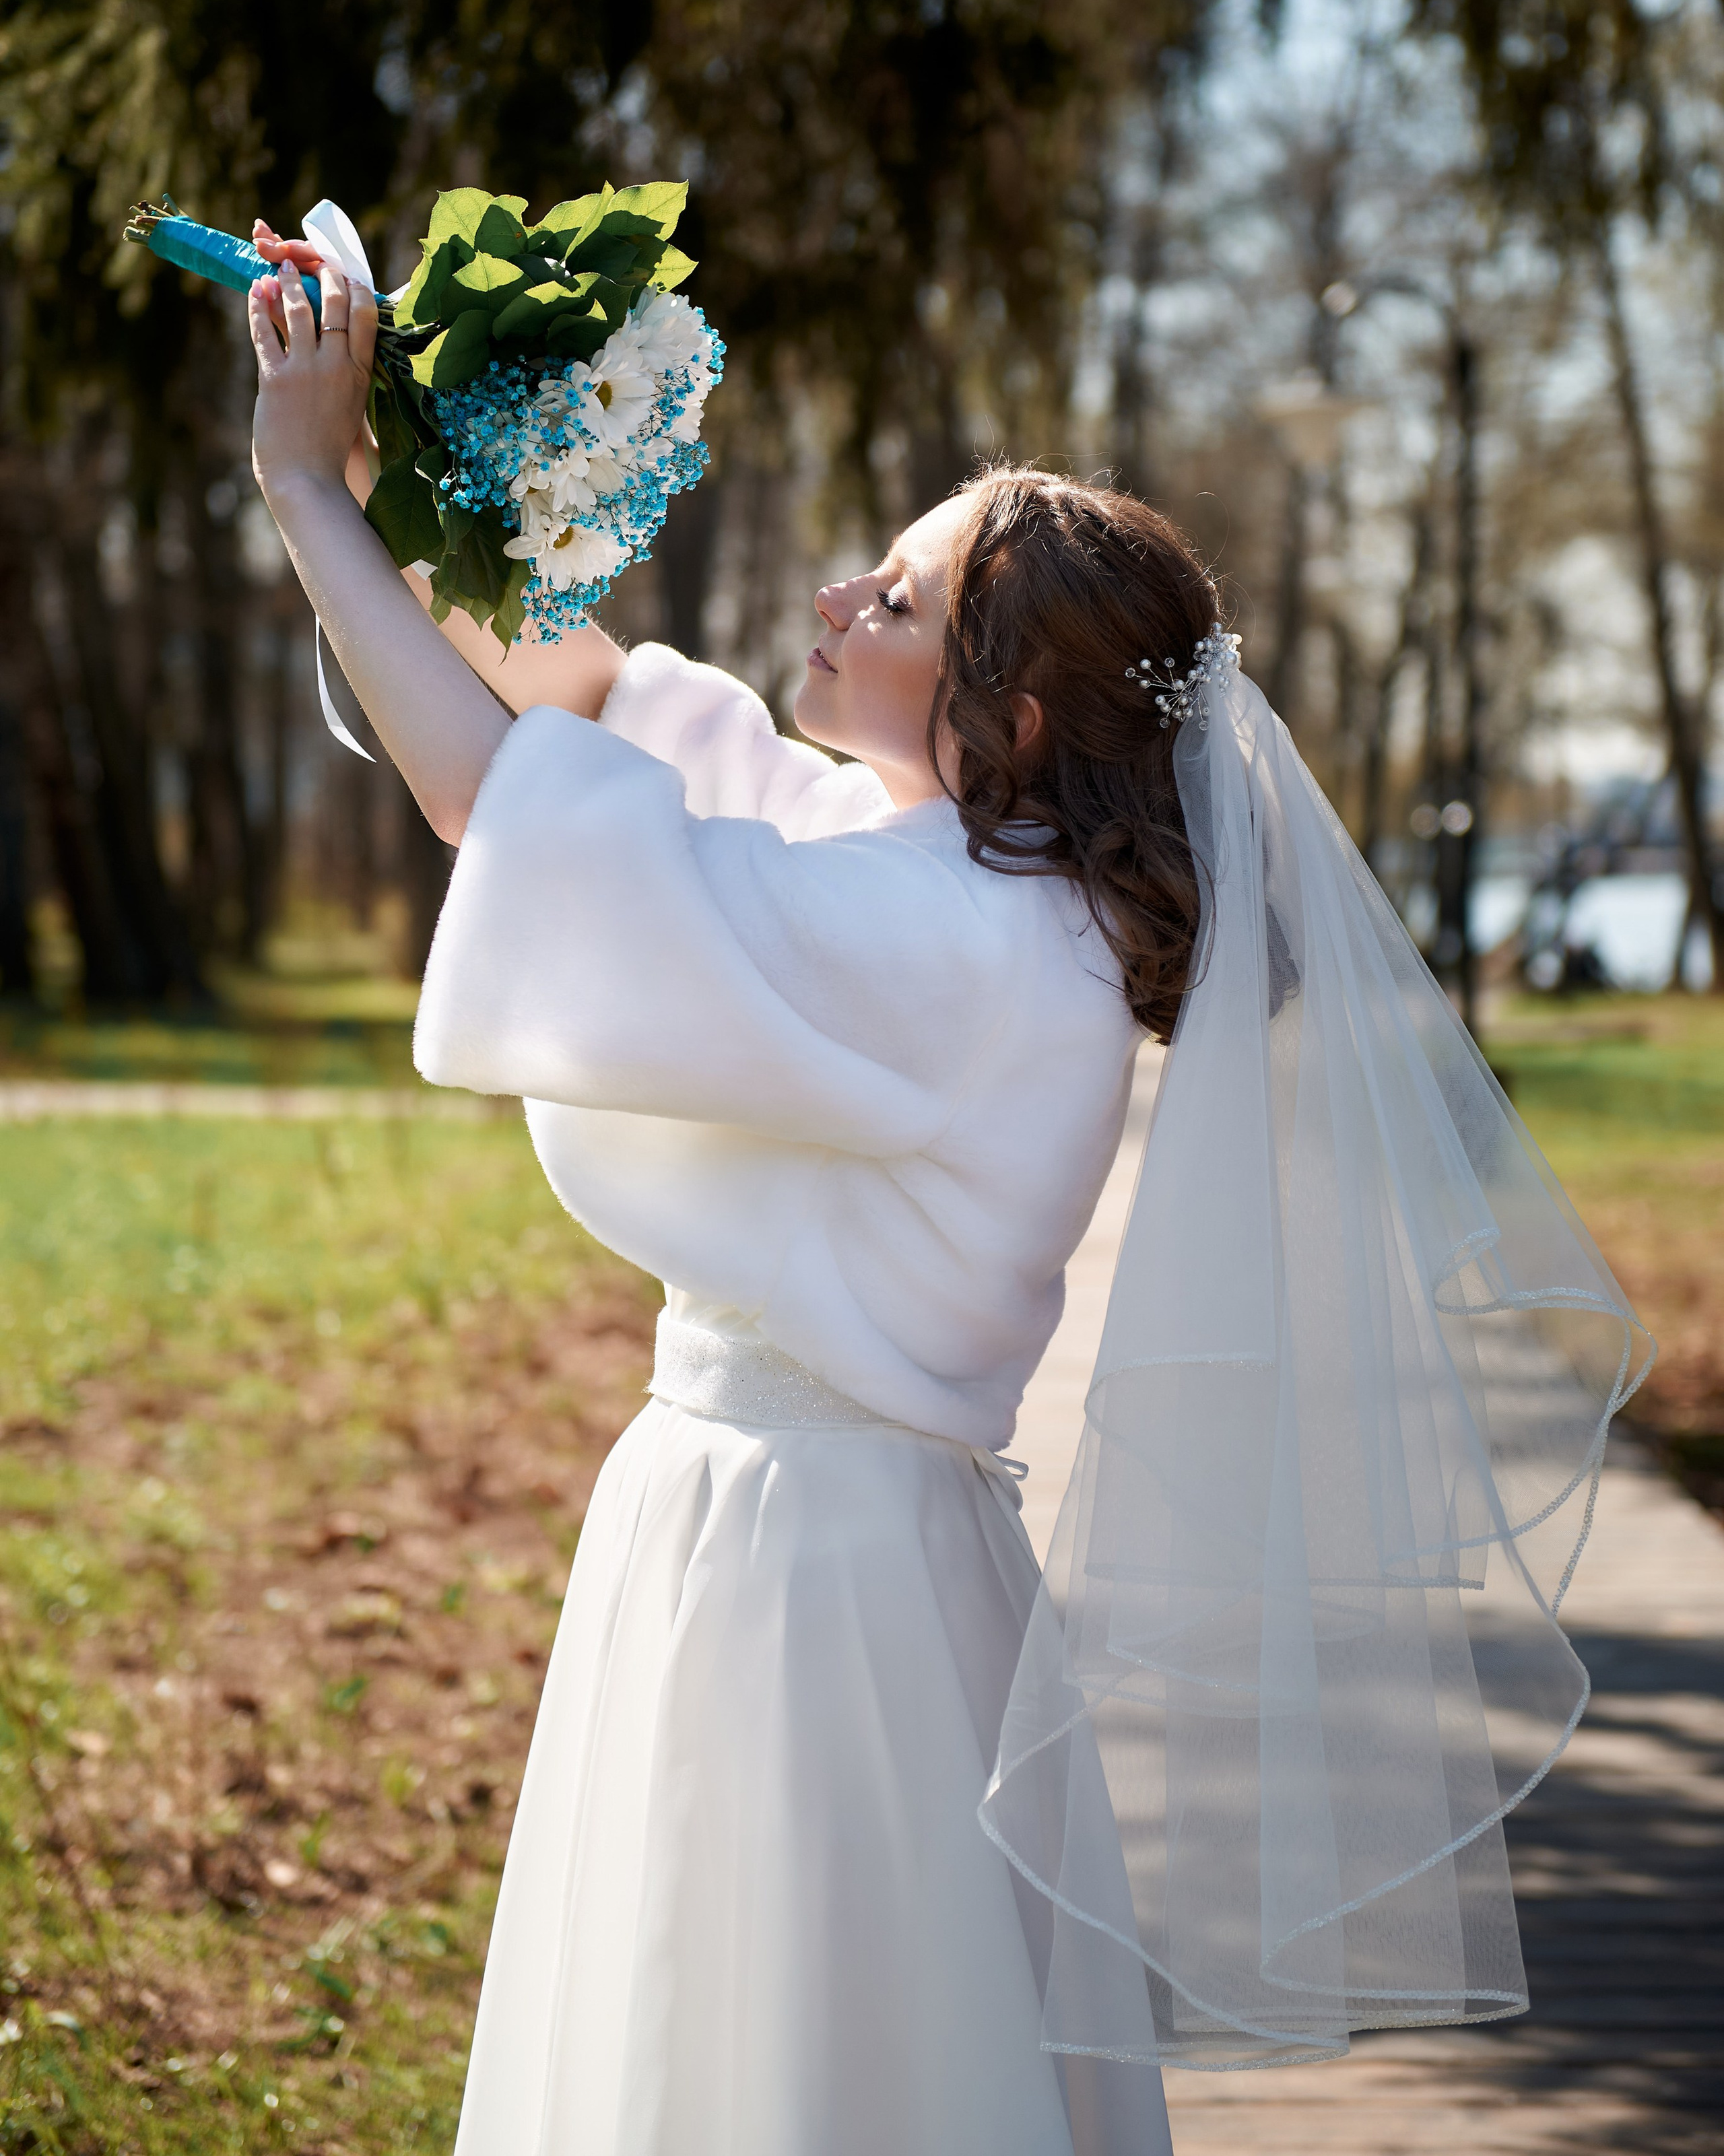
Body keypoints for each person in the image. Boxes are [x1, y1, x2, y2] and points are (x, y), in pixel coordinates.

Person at [247, 242, 1646, 2151]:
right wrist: (396, 418)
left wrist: (305, 489)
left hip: (814, 1580)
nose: (835, 596)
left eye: (893, 594)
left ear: (1020, 715)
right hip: (822, 1545)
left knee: (781, 2052)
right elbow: (576, 695)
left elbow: (504, 799)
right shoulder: (945, 873)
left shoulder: (969, 942)